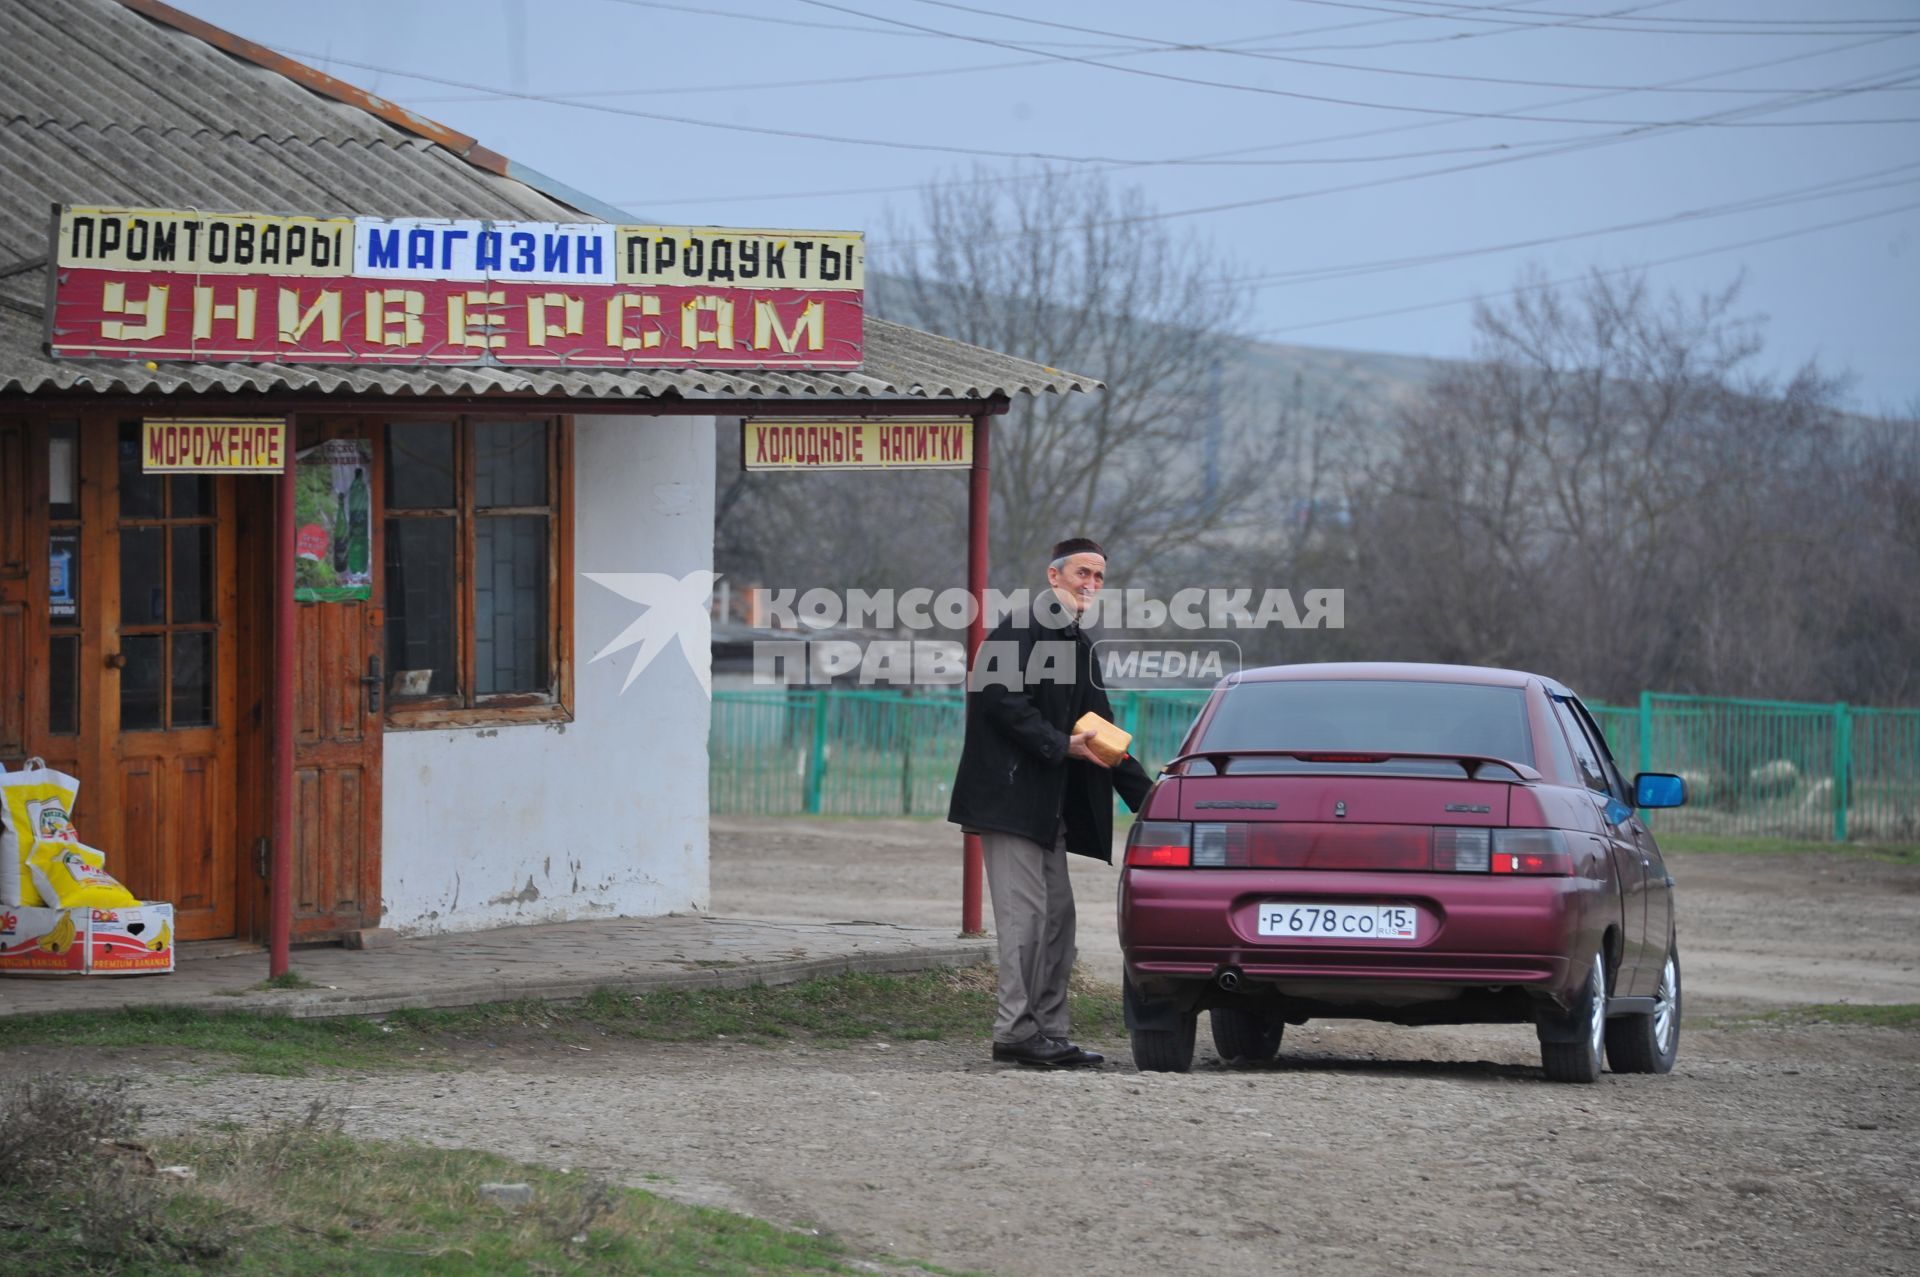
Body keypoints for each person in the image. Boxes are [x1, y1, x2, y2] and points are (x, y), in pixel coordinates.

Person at [948, 537, 1152, 1067]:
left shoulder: (1078, 643)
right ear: (1054, 575)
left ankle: (1049, 1032)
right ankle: (1015, 1032)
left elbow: (1101, 732)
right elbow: (996, 696)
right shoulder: (1020, 627)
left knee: (1058, 917)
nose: (1091, 584)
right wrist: (1059, 744)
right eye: (1083, 572)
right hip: (1009, 799)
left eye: (1099, 576)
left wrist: (1151, 799)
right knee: (1027, 920)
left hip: (1048, 810)